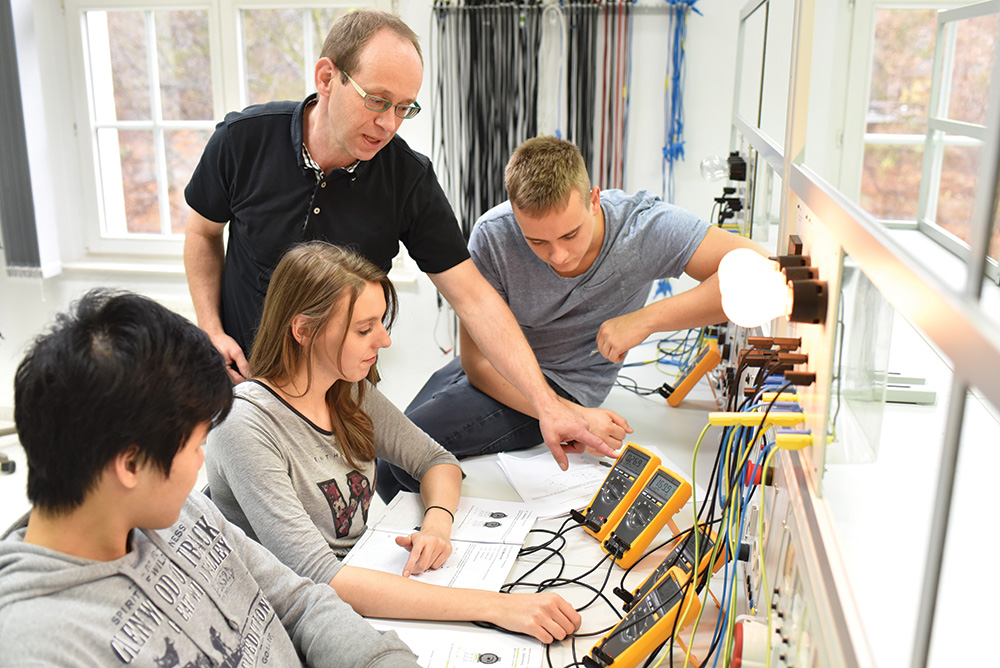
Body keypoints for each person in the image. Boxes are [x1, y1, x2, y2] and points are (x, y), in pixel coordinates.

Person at [183, 9, 611, 468]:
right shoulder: (242, 140)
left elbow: (475, 299)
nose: (389, 124)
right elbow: (202, 233)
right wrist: (211, 330)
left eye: (404, 107)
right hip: (241, 384)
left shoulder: (408, 179)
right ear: (327, 77)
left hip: (338, 398)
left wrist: (548, 407)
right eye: (377, 101)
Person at [0, 289, 418, 668]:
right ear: (130, 466)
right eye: (195, 446)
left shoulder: (183, 511)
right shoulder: (40, 646)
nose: (202, 461)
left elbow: (302, 604)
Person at [204, 242, 581, 644]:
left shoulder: (347, 391)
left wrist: (437, 524)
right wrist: (495, 606)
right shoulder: (244, 425)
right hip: (291, 621)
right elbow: (321, 577)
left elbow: (437, 460)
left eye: (381, 323)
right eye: (364, 329)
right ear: (303, 330)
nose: (383, 341)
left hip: (361, 586)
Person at [377, 136, 766, 501]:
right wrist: (574, 417)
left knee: (401, 461)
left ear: (594, 199)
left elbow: (761, 269)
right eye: (537, 241)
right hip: (501, 370)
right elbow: (477, 364)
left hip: (564, 383)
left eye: (570, 235)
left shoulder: (643, 228)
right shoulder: (494, 235)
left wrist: (646, 320)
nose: (558, 256)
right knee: (387, 452)